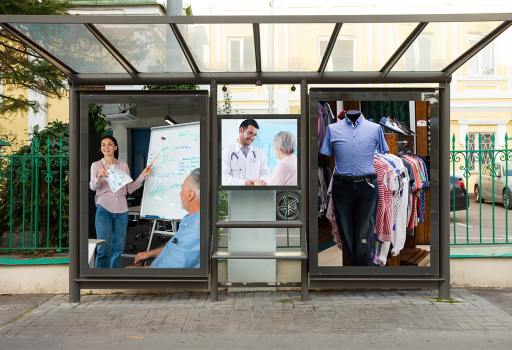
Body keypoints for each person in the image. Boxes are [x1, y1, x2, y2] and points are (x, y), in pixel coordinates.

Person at [89, 135, 152, 268]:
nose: (106, 147)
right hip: (104, 208)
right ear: (101, 149)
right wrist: (99, 176)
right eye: (103, 145)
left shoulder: (123, 166)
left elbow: (129, 189)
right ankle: (100, 282)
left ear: (115, 147)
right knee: (103, 249)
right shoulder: (96, 165)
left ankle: (113, 279)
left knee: (118, 250)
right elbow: (93, 187)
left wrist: (142, 176)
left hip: (122, 210)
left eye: (109, 144)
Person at [128, 168, 200, 268]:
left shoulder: (195, 230)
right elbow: (176, 246)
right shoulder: (189, 220)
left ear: (190, 195)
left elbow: (168, 272)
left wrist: (133, 271)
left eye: (182, 188)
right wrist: (150, 253)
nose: (180, 193)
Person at [221, 119, 271, 186]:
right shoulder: (226, 152)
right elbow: (224, 178)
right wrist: (244, 183)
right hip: (236, 194)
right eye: (250, 133)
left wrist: (259, 182)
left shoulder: (259, 152)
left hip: (256, 193)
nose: (252, 138)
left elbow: (266, 173)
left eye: (255, 135)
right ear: (241, 130)